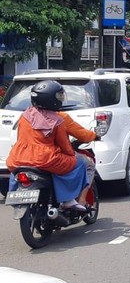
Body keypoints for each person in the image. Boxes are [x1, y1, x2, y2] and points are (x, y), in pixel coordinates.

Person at [6, 80, 91, 211]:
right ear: (51, 99)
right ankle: (68, 200)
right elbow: (65, 146)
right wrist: (71, 155)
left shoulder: (25, 116)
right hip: (46, 159)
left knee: (16, 169)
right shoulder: (58, 120)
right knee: (79, 162)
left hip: (18, 157)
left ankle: (13, 191)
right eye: (58, 96)